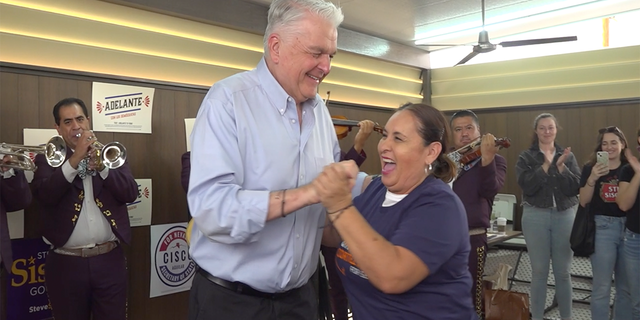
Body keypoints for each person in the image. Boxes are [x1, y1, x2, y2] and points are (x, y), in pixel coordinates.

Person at [186, 1, 367, 319]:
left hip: (302, 300)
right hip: (231, 304)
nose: (326, 67)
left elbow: (326, 214)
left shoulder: (321, 115)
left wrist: (391, 194)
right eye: (316, 53)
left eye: (330, 56)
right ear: (276, 47)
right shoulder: (227, 101)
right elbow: (213, 211)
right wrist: (308, 193)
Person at [315, 102, 477, 320]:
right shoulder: (376, 190)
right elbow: (336, 236)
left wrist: (340, 207)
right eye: (385, 136)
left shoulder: (440, 207)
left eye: (398, 138)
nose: (383, 146)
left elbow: (392, 277)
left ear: (431, 152)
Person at [31, 97, 138, 320]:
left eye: (80, 119)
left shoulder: (111, 154)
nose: (76, 126)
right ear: (58, 128)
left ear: (88, 121)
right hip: (66, 263)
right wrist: (74, 160)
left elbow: (130, 193)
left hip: (109, 260)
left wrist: (103, 169)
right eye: (68, 122)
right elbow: (45, 196)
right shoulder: (46, 160)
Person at [515, 113, 581, 320]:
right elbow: (527, 185)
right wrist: (545, 165)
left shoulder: (567, 155)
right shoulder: (526, 157)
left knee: (563, 273)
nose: (547, 131)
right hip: (535, 216)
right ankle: (536, 317)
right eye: (542, 128)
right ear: (536, 131)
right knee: (539, 272)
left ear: (556, 129)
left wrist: (561, 167)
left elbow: (575, 187)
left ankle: (566, 317)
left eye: (550, 127)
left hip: (564, 215)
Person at [449, 109, 507, 318]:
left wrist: (487, 159)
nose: (464, 133)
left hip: (472, 238)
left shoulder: (495, 161)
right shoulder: (444, 161)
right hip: (442, 237)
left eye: (469, 128)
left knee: (472, 295)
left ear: (478, 131)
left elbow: (489, 189)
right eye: (458, 129)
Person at [321, 119, 375, 320]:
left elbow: (342, 172)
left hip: (329, 225)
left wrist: (359, 144)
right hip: (303, 223)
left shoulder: (326, 150)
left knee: (339, 282)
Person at [579, 126, 632, 320]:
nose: (609, 147)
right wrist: (593, 178)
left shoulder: (630, 169)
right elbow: (583, 201)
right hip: (602, 228)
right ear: (600, 147)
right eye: (605, 143)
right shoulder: (590, 168)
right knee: (602, 287)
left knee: (626, 289)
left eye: (614, 142)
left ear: (622, 144)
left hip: (629, 230)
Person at [617, 128, 640, 320]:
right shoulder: (628, 169)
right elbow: (624, 204)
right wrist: (639, 174)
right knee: (637, 302)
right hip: (635, 241)